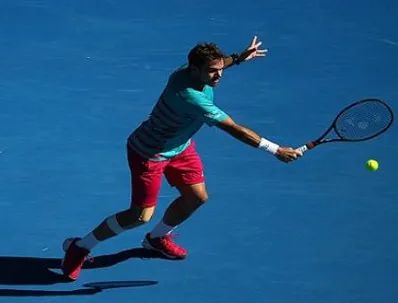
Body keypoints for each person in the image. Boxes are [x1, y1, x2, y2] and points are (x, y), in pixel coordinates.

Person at [60, 36, 303, 280]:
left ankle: (156, 239)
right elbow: (235, 129)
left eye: (220, 70)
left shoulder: (190, 72)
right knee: (139, 216)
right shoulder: (189, 96)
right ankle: (80, 246)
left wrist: (238, 58)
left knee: (196, 198)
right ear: (194, 69)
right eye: (212, 72)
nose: (218, 76)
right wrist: (276, 149)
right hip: (149, 153)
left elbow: (220, 64)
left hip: (180, 148)